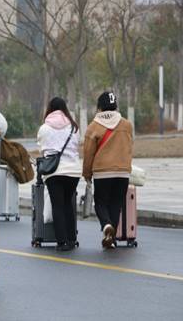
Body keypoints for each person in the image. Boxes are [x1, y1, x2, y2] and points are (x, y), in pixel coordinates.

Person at [83, 92, 133, 249]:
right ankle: (111, 240)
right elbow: (130, 148)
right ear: (115, 106)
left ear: (99, 108)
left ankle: (106, 226)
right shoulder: (127, 125)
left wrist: (87, 174)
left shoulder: (93, 126)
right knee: (116, 204)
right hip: (123, 172)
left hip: (103, 172)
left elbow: (88, 153)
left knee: (100, 203)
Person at [37, 97, 81, 251]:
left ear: (49, 109)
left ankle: (61, 241)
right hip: (73, 171)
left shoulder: (44, 128)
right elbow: (76, 147)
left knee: (57, 205)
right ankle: (71, 239)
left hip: (54, 171)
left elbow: (42, 149)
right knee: (68, 204)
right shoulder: (74, 127)